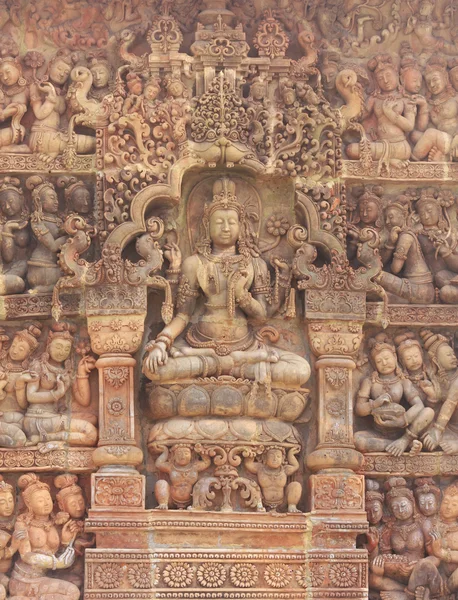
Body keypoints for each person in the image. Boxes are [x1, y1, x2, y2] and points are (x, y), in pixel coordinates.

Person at [143, 177, 310, 389]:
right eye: (219, 222)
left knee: (300, 368)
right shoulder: (194, 264)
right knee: (154, 369)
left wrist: (241, 295)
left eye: (231, 222)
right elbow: (183, 315)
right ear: (206, 226)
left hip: (245, 348)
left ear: (242, 227)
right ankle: (234, 370)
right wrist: (161, 343)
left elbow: (261, 315)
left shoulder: (255, 264)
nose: (225, 227)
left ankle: (229, 369)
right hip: (202, 346)